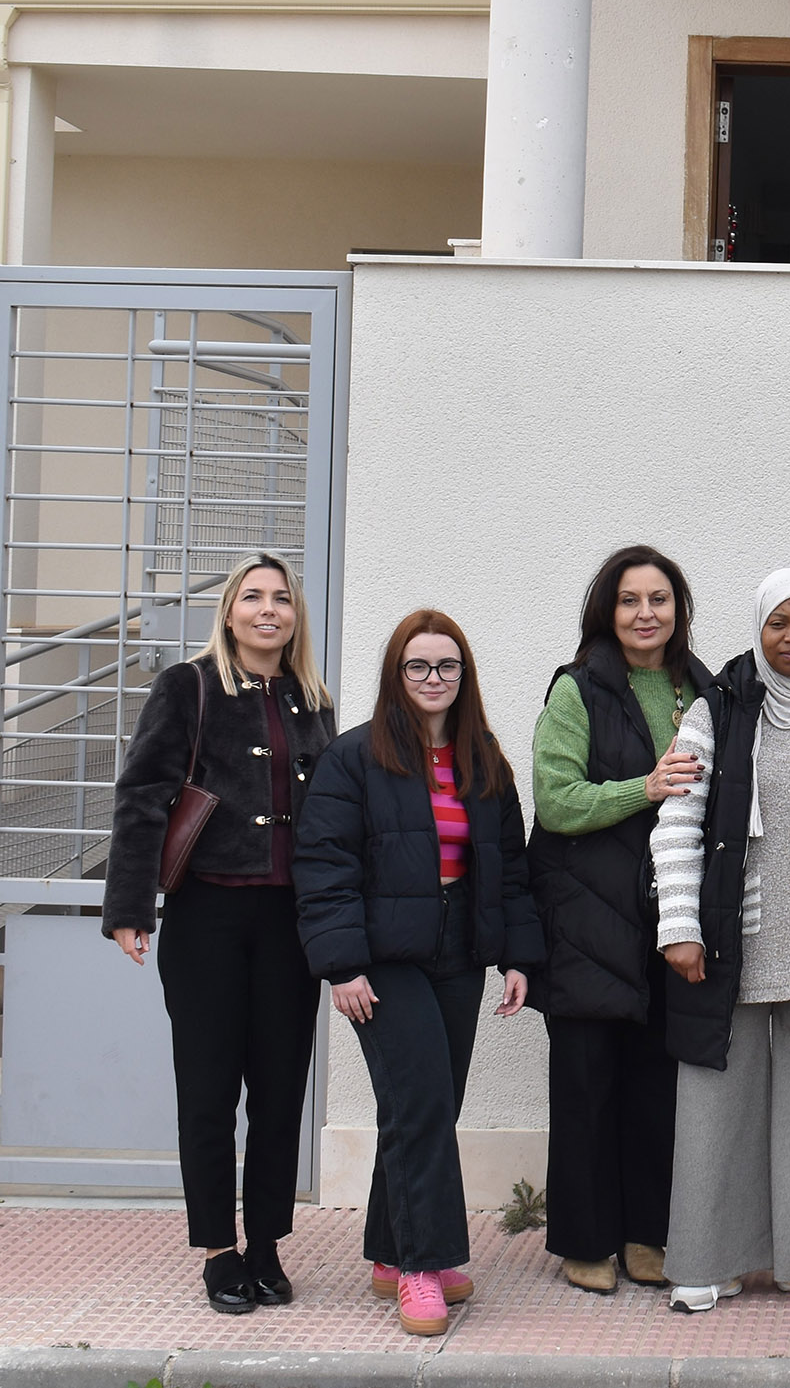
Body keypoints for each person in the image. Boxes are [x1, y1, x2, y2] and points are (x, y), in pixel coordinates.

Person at [293, 610, 542, 1335]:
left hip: (458, 954)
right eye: (418, 666)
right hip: (383, 959)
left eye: (447, 666)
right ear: (395, 675)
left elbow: (512, 868)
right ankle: (421, 1265)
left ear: (464, 675)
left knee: (427, 1104)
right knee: (423, 1101)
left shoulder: (484, 757)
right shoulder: (353, 759)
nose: (434, 678)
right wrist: (341, 965)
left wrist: (518, 956)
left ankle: (386, 1248)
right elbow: (325, 866)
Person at [104, 553, 336, 1314]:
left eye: (282, 598)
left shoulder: (312, 700)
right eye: (252, 596)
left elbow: (333, 820)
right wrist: (131, 905)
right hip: (206, 917)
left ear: (294, 614)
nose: (268, 609)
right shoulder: (190, 685)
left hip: (289, 925)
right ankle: (217, 1249)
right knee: (208, 1090)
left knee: (279, 1090)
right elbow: (142, 794)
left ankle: (266, 1243)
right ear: (230, 610)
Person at [651, 570, 790, 1313]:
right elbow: (677, 820)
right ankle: (709, 1260)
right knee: (715, 1105)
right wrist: (679, 925)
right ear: (757, 626)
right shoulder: (719, 706)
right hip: (729, 939)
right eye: (780, 621)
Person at [527, 545, 714, 1294]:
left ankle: (647, 1235)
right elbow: (557, 799)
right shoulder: (579, 688)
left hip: (670, 919)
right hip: (585, 922)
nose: (646, 613)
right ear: (608, 610)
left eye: (659, 599)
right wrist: (645, 785)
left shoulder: (703, 689)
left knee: (658, 1089)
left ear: (679, 610)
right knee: (585, 1087)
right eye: (631, 600)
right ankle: (584, 1239)